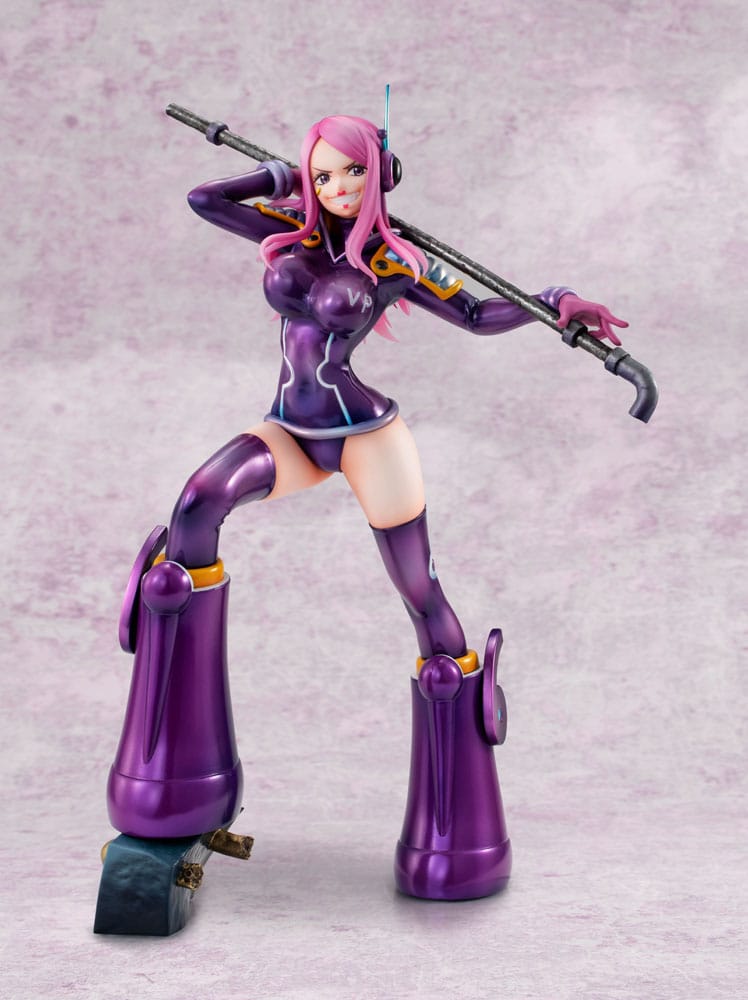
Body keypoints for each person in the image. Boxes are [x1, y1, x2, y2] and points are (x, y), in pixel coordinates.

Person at [107, 113, 627, 902]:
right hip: (291, 430)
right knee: (195, 512)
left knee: (421, 598)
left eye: (352, 173)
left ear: (383, 175)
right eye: (324, 175)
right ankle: (175, 776)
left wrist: (555, 302)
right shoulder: (288, 229)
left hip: (366, 436)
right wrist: (278, 179)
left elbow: (478, 313)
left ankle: (458, 832)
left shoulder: (393, 259)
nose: (338, 188)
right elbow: (205, 198)